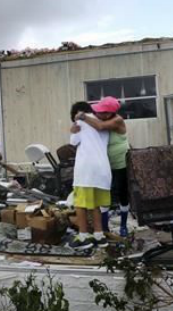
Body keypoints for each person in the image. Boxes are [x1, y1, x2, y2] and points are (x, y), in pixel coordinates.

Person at [74, 96, 130, 236]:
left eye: (101, 112)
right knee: (105, 194)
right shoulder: (98, 119)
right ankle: (104, 228)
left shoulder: (117, 120)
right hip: (105, 164)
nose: (97, 114)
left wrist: (83, 117)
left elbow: (100, 127)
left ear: (109, 113)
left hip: (120, 163)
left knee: (122, 193)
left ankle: (123, 226)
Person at [68, 101, 112, 249]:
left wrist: (73, 129)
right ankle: (99, 236)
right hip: (102, 170)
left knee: (80, 205)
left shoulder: (81, 122)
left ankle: (83, 237)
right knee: (96, 205)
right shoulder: (104, 123)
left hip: (86, 170)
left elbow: (73, 142)